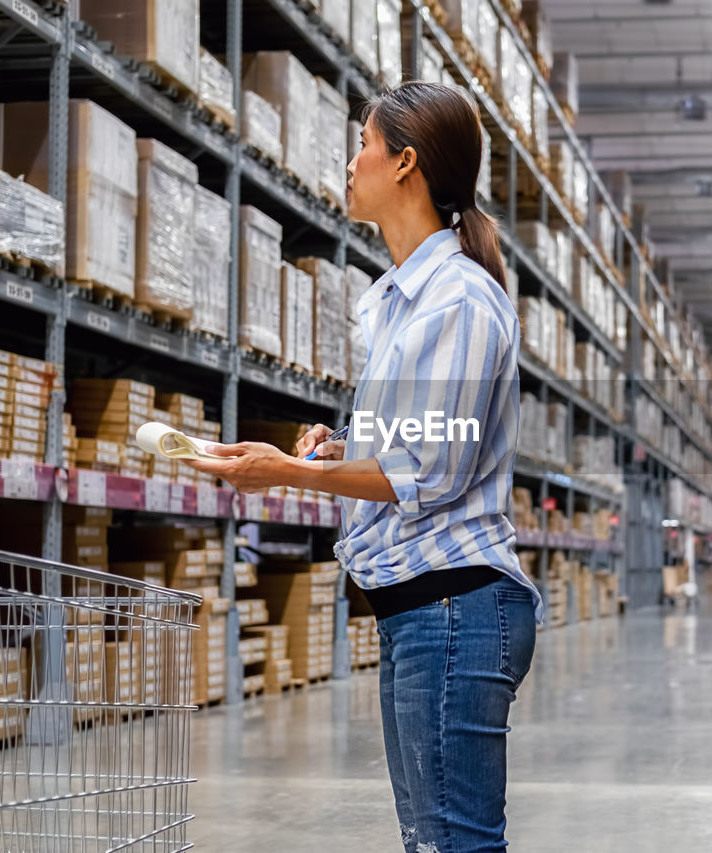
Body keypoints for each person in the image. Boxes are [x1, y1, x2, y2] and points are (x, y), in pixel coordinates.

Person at [183, 81, 540, 853]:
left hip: (454, 610)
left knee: (453, 844)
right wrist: (344, 451)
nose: (350, 162)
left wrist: (286, 472)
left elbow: (430, 473)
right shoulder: (403, 301)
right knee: (431, 841)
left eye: (364, 144)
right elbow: (426, 443)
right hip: (425, 610)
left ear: (405, 163)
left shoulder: (457, 301)